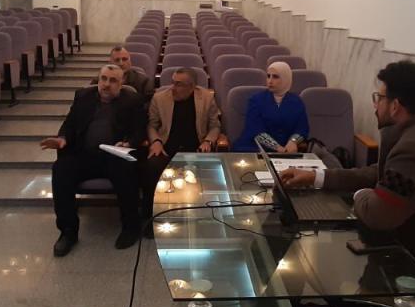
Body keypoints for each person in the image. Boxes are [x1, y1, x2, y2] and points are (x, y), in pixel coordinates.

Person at [280, 60, 415, 307]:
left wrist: (360, 194)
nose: (375, 105)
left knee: (317, 256)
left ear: (395, 106)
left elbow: (377, 214)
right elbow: (378, 174)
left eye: (379, 97)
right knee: (334, 241)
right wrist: (317, 177)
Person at [42, 64, 146, 256]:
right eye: (103, 79)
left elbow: (139, 131)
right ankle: (68, 231)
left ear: (121, 83)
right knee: (61, 169)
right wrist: (62, 139)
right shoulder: (83, 96)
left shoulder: (133, 101)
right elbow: (69, 124)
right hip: (85, 154)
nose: (106, 84)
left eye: (113, 80)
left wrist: (129, 143)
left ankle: (130, 227)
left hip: (114, 155)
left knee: (126, 171)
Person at [141, 67, 221, 235]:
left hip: (196, 148)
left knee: (209, 167)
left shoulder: (206, 98)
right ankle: (150, 217)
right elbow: (152, 125)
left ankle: (203, 219)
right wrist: (156, 141)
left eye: (179, 84)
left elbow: (215, 125)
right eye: (173, 82)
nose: (173, 87)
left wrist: (208, 141)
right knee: (152, 166)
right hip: (166, 148)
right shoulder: (160, 98)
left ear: (192, 86)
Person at [233, 61, 309, 152]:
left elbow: (302, 128)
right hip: (254, 148)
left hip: (286, 151)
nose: (270, 81)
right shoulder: (256, 100)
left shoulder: (297, 102)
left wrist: (293, 141)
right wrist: (277, 147)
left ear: (286, 79)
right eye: (268, 76)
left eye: (275, 77)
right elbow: (255, 129)